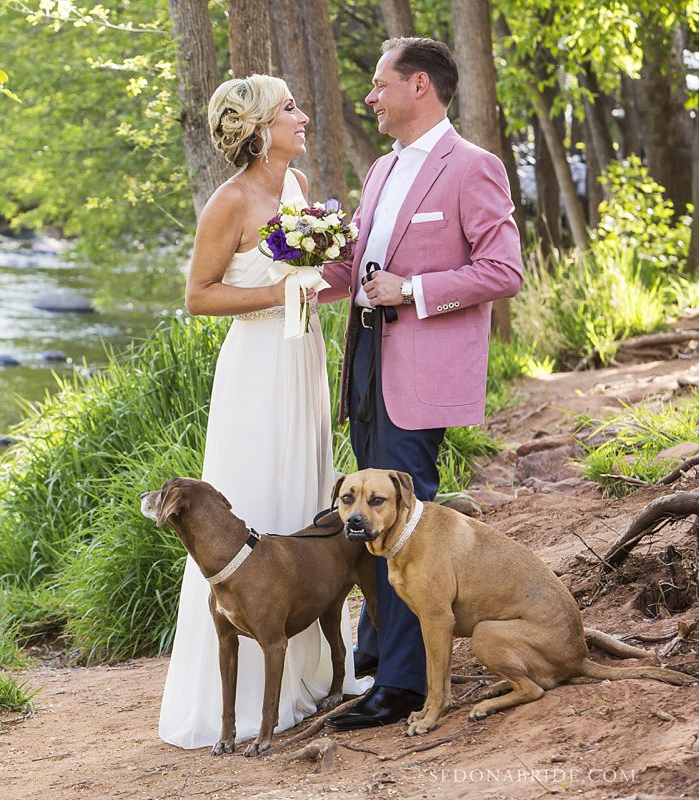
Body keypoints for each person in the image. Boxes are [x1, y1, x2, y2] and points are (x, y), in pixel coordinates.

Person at [158, 74, 372, 749]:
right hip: (255, 371)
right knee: (253, 504)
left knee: (300, 500)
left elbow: (305, 288)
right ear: (258, 130)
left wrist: (340, 285)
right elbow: (198, 296)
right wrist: (278, 300)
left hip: (301, 359)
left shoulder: (299, 190)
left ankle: (304, 674)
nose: (303, 117)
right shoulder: (230, 201)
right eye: (290, 110)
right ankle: (241, 700)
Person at [318, 38, 524, 730]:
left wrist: (413, 290)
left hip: (422, 371)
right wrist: (285, 271)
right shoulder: (380, 170)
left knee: (405, 527)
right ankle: (376, 658)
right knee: (369, 519)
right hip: (367, 360)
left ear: (419, 87)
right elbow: (351, 269)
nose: (370, 98)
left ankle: (404, 687)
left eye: (379, 86)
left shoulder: (474, 167)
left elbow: (503, 271)